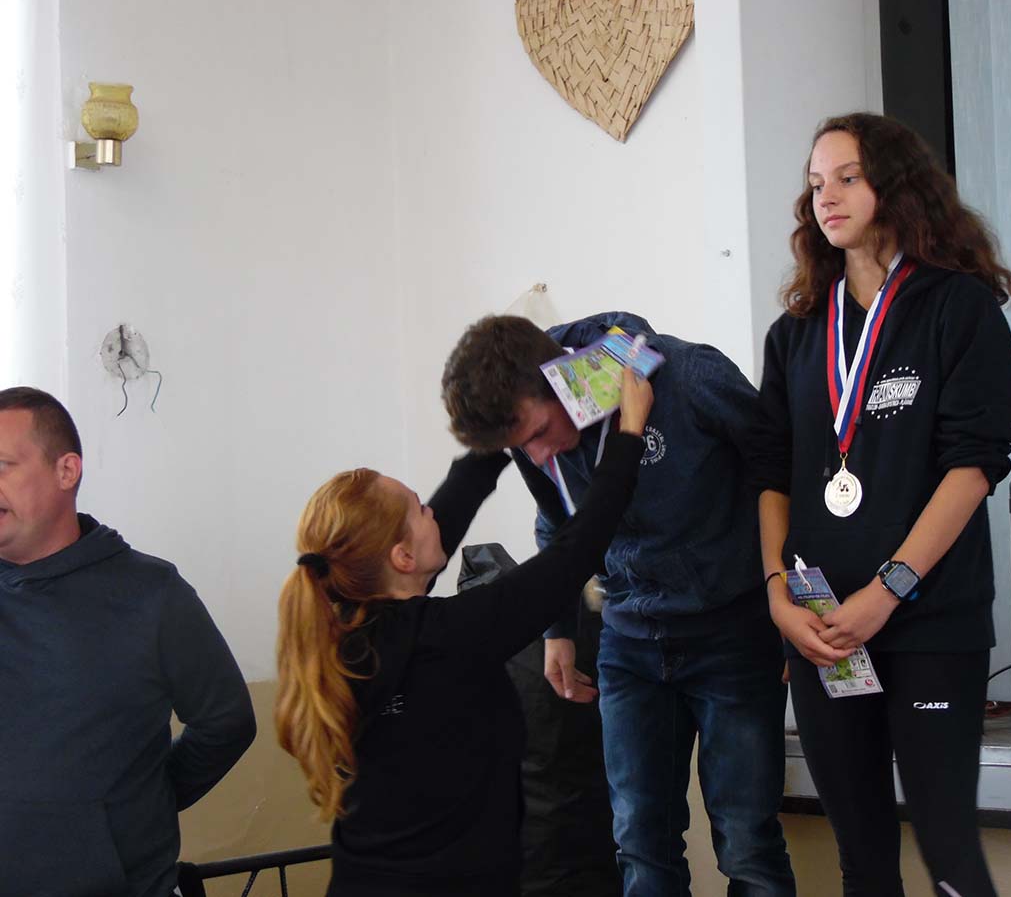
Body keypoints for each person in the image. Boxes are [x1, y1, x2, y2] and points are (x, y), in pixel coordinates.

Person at [750, 112, 1011, 896]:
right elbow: (770, 474)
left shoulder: (956, 307)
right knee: (862, 860)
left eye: (848, 178)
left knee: (948, 850)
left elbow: (974, 466)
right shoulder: (797, 332)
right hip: (824, 628)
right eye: (816, 184)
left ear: (897, 186)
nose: (827, 198)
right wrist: (777, 594)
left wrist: (889, 590)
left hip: (928, 620)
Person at [442, 313, 796, 896]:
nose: (537, 455)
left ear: (559, 377)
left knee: (746, 840)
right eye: (519, 446)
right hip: (630, 643)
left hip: (732, 633)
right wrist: (558, 629)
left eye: (537, 432)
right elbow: (557, 523)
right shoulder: (531, 439)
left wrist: (790, 598)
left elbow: (782, 473)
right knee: (639, 841)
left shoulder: (690, 376)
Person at [274, 368, 653, 897]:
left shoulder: (350, 632)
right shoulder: (449, 636)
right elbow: (575, 552)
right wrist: (629, 434)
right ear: (402, 557)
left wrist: (500, 425)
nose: (434, 511)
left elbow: (449, 508)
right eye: (420, 509)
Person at [0, 387, 256, 897]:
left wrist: (135, 806)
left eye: (2, 466)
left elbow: (226, 722)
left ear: (66, 471)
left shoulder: (151, 595)